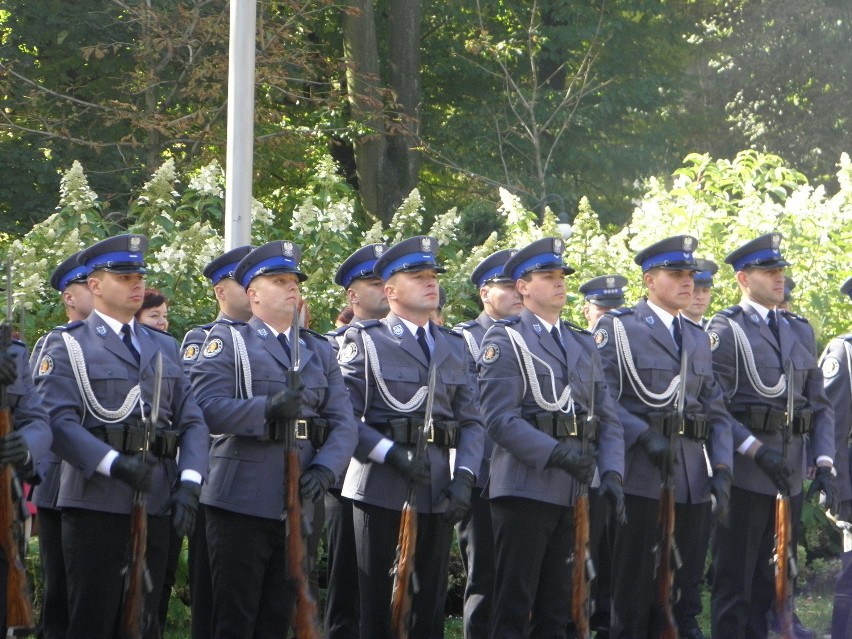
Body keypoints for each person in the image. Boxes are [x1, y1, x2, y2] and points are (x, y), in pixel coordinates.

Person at [32, 234, 209, 639]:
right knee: (93, 620)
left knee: (147, 622)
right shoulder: (68, 346)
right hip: (96, 500)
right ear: (94, 285)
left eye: (139, 275)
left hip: (159, 497)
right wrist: (115, 464)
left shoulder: (163, 345)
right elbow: (56, 423)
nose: (137, 284)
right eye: (124, 276)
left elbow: (193, 421)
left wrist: (190, 482)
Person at [189, 239, 357, 639]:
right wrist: (266, 407)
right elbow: (203, 407)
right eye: (279, 280)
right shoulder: (228, 342)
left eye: (295, 281)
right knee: (234, 617)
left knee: (279, 616)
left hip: (301, 497)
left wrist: (325, 470)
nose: (292, 288)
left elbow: (343, 423)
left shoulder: (318, 350)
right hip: (241, 498)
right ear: (253, 295)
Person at [476, 238, 625, 639]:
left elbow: (607, 416)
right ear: (523, 286)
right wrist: (556, 453)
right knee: (514, 607)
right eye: (547, 276)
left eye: (561, 276)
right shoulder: (505, 339)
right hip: (525, 488)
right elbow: (499, 419)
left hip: (575, 488)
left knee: (561, 607)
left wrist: (612, 473)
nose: (559, 283)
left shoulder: (581, 341)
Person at [337, 235, 485, 639]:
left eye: (432, 275)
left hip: (438, 491)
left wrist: (465, 478)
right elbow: (344, 420)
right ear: (390, 290)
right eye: (417, 276)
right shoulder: (365, 341)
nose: (430, 282)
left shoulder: (453, 345)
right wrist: (390, 454)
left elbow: (472, 421)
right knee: (380, 613)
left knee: (427, 614)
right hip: (380, 489)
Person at [593, 235, 735, 639]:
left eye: (690, 275)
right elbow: (601, 399)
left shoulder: (696, 337)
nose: (687, 282)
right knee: (633, 595)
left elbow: (716, 412)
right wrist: (642, 436)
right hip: (641, 475)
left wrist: (722, 467)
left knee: (680, 596)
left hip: (690, 479)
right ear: (649, 280)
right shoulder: (619, 328)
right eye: (676, 274)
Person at [706, 232, 836, 639]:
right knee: (735, 583)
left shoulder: (798, 329)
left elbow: (819, 404)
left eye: (780, 270)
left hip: (792, 471)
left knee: (777, 580)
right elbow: (716, 409)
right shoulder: (726, 330)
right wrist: (756, 452)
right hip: (749, 473)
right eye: (768, 271)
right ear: (744, 279)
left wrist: (825, 461)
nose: (779, 277)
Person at [179, 244, 253, 639]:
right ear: (221, 291)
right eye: (244, 281)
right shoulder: (204, 339)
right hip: (218, 478)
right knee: (216, 594)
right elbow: (198, 411)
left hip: (264, 483)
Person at [452, 248, 521, 639]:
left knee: (522, 580)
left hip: (526, 475)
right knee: (484, 578)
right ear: (484, 292)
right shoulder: (464, 338)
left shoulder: (532, 337)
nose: (516, 293)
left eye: (519, 285)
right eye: (506, 286)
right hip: (483, 475)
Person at [323, 243, 389, 639]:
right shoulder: (332, 344)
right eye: (374, 282)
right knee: (348, 579)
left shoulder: (407, 342)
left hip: (393, 477)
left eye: (387, 281)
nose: (384, 288)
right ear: (353, 295)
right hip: (345, 476)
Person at [28, 251, 94, 639]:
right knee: (63, 596)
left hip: (101, 489)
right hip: (59, 486)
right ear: (69, 297)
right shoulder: (56, 343)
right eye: (88, 284)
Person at [683, 258, 718, 326]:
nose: (700, 297)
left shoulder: (715, 331)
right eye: (693, 290)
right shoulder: (669, 329)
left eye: (705, 290)